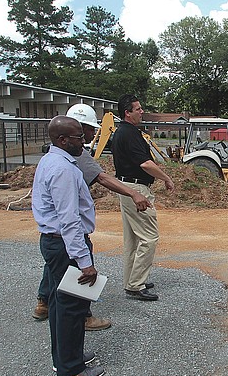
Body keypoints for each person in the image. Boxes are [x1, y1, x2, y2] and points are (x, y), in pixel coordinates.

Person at [32, 104, 150, 330]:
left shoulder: (52, 156)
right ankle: (82, 316)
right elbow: (100, 180)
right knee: (76, 273)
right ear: (69, 135)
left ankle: (44, 302)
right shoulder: (68, 161)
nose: (87, 137)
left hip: (52, 235)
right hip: (65, 234)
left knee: (55, 268)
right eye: (84, 132)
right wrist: (133, 193)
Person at [110, 95, 174, 301]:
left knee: (132, 239)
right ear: (127, 112)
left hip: (126, 186)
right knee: (149, 237)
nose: (141, 111)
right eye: (138, 109)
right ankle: (136, 285)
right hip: (136, 189)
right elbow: (145, 164)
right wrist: (166, 178)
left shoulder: (123, 132)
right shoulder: (129, 134)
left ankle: (132, 280)